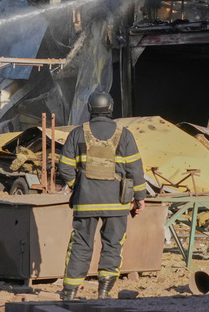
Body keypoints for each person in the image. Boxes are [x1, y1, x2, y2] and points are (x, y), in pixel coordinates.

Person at [58, 91, 146, 301]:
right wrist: (140, 197)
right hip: (117, 202)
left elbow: (64, 167)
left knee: (80, 244)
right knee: (113, 244)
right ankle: (104, 291)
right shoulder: (124, 135)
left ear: (90, 108)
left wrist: (77, 186)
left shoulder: (77, 133)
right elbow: (136, 169)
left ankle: (69, 292)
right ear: (111, 108)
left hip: (85, 202)